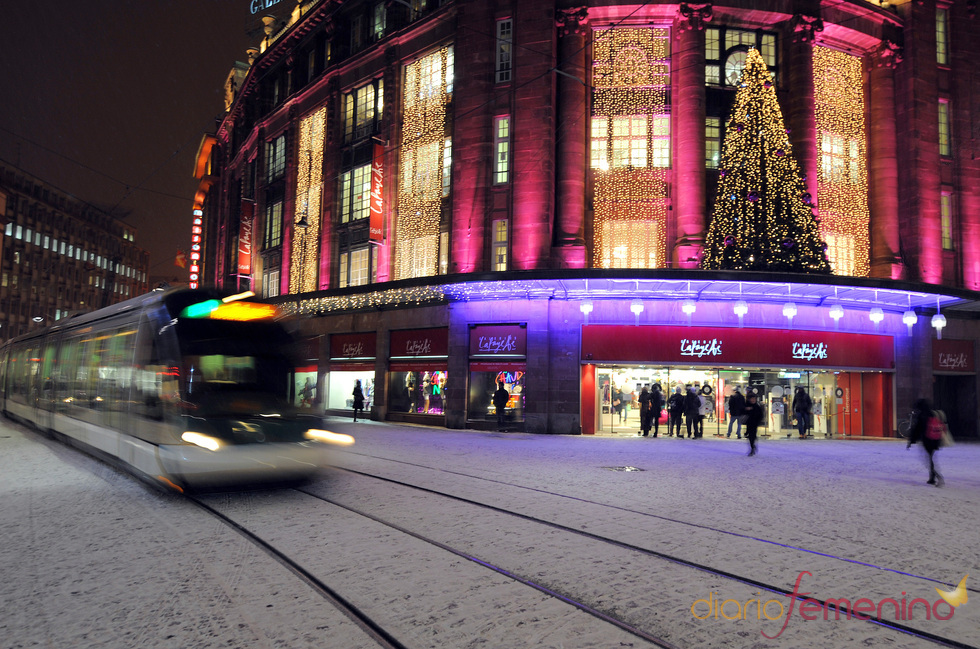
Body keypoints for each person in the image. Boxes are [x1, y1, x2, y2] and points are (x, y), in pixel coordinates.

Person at [907, 397, 944, 486]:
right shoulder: (933, 413)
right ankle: (932, 477)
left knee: (929, 459)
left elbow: (917, 429)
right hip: (935, 439)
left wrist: (911, 441)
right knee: (931, 458)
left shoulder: (922, 415)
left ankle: (936, 476)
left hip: (927, 439)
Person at [743, 391, 764, 456]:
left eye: (754, 399)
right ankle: (752, 446)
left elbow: (760, 415)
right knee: (749, 435)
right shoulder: (746, 405)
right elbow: (742, 412)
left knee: (752, 435)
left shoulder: (757, 407)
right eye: (752, 399)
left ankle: (752, 447)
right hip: (748, 423)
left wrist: (758, 421)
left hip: (754, 423)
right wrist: (746, 410)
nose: (753, 400)